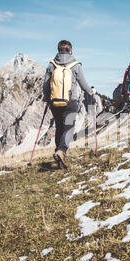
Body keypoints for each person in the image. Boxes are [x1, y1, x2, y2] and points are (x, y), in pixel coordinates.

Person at [43, 40, 95, 169]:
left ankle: (60, 155)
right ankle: (61, 150)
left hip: (55, 102)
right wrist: (91, 92)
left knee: (59, 127)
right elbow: (83, 84)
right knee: (69, 128)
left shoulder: (51, 64)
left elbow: (45, 85)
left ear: (58, 50)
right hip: (70, 102)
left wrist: (46, 98)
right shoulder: (76, 65)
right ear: (70, 50)